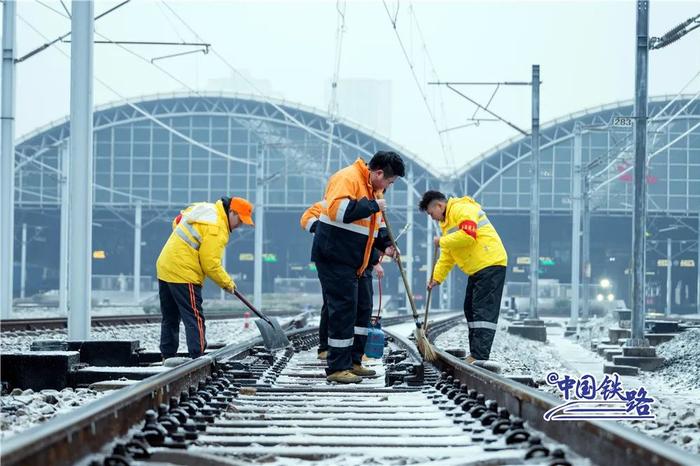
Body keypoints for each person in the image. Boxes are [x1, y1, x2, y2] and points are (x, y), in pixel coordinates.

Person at [312, 151, 404, 383]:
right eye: (389, 182)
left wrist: (387, 245)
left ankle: (354, 361)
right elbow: (338, 212)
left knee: (362, 309)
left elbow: (377, 227)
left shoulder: (374, 189)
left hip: (358, 260)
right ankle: (337, 367)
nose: (388, 187)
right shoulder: (348, 178)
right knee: (343, 311)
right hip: (335, 255)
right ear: (379, 173)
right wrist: (372, 205)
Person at [156, 196, 254, 359]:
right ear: (232, 212)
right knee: (194, 316)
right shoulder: (217, 228)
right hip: (184, 272)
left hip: (165, 265)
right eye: (240, 220)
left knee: (170, 317)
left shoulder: (206, 209)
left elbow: (178, 221)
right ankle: (198, 358)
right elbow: (210, 264)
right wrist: (227, 283)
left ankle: (167, 356)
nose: (240, 225)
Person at [420, 190, 507, 363]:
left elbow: (468, 235)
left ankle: (479, 356)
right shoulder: (447, 225)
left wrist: (442, 241)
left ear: (439, 205)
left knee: (483, 310)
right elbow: (447, 256)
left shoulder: (461, 208)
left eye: (431, 213)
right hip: (478, 268)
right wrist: (436, 278)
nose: (432, 218)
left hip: (490, 263)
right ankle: (476, 354)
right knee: (470, 308)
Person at [300, 202, 385, 362]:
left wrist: (383, 249)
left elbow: (370, 237)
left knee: (359, 306)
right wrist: (325, 231)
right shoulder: (329, 204)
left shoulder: (372, 208)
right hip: (334, 258)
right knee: (334, 303)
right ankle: (326, 348)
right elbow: (306, 219)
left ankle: (354, 353)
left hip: (359, 260)